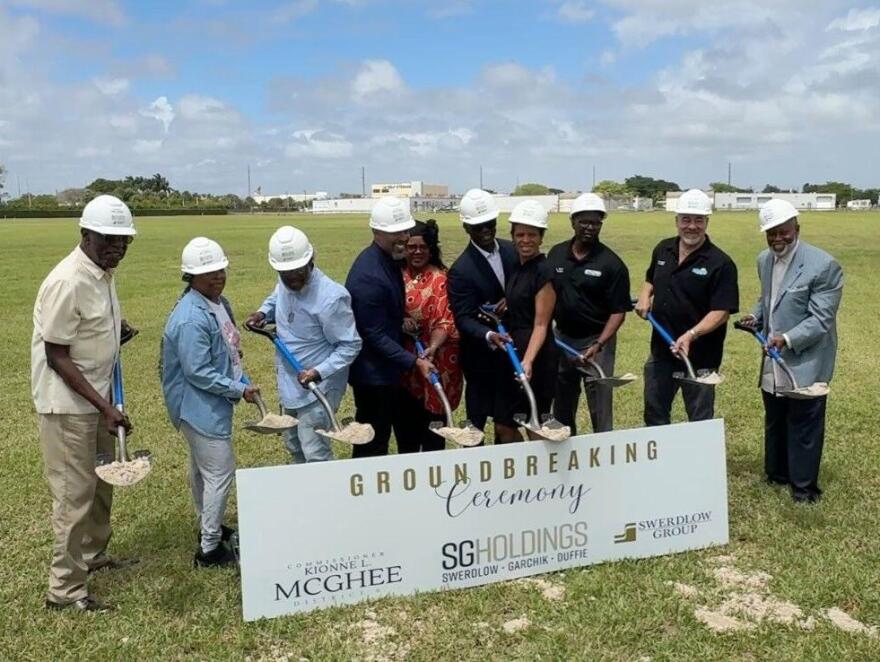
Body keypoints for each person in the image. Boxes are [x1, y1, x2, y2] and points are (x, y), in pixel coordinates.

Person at [32, 195, 139, 613]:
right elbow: (57, 355)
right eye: (108, 239)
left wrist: (115, 334)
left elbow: (87, 331)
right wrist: (106, 407)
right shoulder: (68, 280)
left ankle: (92, 555)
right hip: (69, 407)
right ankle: (65, 590)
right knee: (74, 496)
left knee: (101, 484)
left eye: (124, 240)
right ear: (85, 234)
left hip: (96, 400)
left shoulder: (102, 274)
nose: (118, 247)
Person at [161, 237, 260, 568]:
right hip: (197, 407)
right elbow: (198, 371)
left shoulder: (219, 303)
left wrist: (242, 380)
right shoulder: (191, 318)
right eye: (208, 273)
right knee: (220, 471)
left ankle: (209, 524)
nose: (218, 277)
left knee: (203, 471)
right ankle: (209, 549)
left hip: (208, 404)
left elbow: (227, 352)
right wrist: (238, 390)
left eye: (220, 270)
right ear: (191, 277)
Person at [738, 199, 843, 504]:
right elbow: (769, 299)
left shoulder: (824, 265)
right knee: (775, 417)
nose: (777, 238)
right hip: (772, 357)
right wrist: (755, 315)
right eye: (771, 233)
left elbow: (821, 320)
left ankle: (804, 489)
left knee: (804, 423)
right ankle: (776, 474)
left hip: (805, 358)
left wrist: (786, 338)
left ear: (797, 228)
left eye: (783, 231)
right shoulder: (764, 260)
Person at [245, 226, 362, 463]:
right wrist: (262, 313)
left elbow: (350, 345)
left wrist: (318, 372)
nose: (292, 278)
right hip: (290, 381)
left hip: (319, 386)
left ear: (311, 260)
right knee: (293, 443)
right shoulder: (285, 281)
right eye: (285, 273)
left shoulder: (331, 297)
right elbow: (277, 296)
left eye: (298, 271)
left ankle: (324, 487)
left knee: (314, 450)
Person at [634, 189, 739, 426]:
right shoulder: (663, 249)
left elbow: (721, 312)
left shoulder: (720, 263)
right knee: (655, 414)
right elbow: (651, 279)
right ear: (677, 221)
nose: (692, 226)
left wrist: (691, 335)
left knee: (699, 420)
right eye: (686, 219)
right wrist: (644, 295)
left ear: (707, 222)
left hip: (701, 358)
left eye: (698, 220)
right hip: (661, 352)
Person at [345, 197, 436, 457]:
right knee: (372, 440)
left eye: (405, 231)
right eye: (396, 232)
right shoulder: (369, 276)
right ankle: (366, 481)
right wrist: (414, 362)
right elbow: (372, 334)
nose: (404, 237)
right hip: (372, 375)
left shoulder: (388, 259)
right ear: (376, 232)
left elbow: (384, 314)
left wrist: (399, 319)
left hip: (385, 370)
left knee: (380, 433)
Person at [546, 193, 631, 434]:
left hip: (596, 342)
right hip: (562, 339)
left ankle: (603, 448)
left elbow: (618, 312)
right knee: (561, 403)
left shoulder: (612, 264)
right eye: (584, 221)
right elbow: (546, 293)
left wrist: (598, 344)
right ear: (573, 222)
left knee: (600, 406)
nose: (590, 227)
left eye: (595, 222)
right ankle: (565, 446)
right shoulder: (556, 254)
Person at [448, 188, 520, 443]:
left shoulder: (513, 251)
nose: (486, 230)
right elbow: (463, 317)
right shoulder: (461, 270)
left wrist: (513, 299)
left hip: (514, 354)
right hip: (480, 359)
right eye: (478, 226)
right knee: (476, 425)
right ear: (466, 228)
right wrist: (488, 334)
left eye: (490, 223)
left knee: (507, 421)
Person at [399, 219, 462, 452]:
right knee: (407, 429)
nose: (417, 252)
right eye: (411, 247)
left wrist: (432, 347)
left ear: (431, 249)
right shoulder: (396, 275)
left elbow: (445, 320)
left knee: (434, 432)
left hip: (437, 359)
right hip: (406, 362)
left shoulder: (441, 278)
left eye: (422, 247)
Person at [503, 200, 558, 436]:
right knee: (507, 423)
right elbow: (521, 299)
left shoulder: (544, 271)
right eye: (520, 234)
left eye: (532, 235)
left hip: (537, 355)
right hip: (515, 349)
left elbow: (541, 324)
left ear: (541, 237)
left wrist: (528, 361)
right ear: (513, 237)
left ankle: (540, 461)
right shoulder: (517, 266)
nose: (525, 240)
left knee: (535, 424)